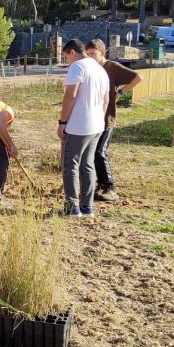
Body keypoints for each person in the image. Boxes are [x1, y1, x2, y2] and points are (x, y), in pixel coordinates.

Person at [84, 39, 142, 201]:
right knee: (92, 153)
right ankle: (100, 184)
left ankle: (108, 186)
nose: (90, 57)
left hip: (106, 118)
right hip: (92, 117)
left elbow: (137, 77)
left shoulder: (112, 68)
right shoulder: (90, 69)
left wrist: (120, 93)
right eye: (87, 54)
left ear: (102, 53)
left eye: (93, 54)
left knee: (99, 152)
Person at [57, 39, 110, 217]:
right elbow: (106, 101)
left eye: (66, 57)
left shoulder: (77, 67)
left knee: (70, 165)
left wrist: (62, 122)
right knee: (87, 165)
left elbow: (69, 97)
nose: (67, 61)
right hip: (96, 126)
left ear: (72, 52)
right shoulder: (99, 69)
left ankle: (72, 208)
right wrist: (98, 120)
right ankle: (87, 207)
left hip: (78, 126)